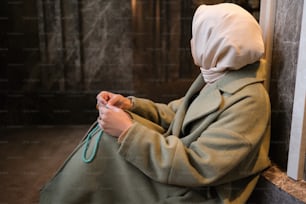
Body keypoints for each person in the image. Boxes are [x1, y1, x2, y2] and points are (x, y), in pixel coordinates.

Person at [40, 3, 271, 204]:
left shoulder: (250, 101)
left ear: (217, 44)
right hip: (179, 171)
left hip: (200, 192)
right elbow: (177, 112)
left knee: (111, 144)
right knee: (109, 137)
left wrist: (127, 132)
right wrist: (130, 106)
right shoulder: (218, 75)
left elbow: (200, 166)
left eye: (199, 35)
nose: (193, 42)